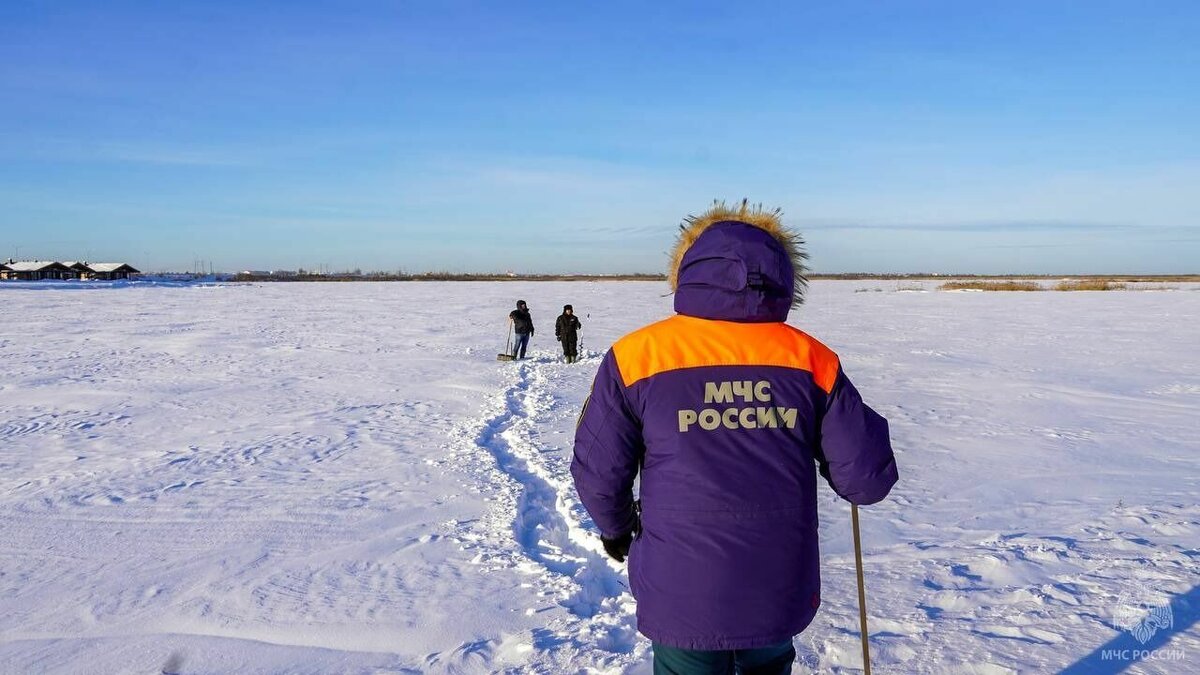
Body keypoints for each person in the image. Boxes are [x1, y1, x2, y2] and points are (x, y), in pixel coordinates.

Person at [570, 200, 899, 675]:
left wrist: (618, 528)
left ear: (687, 271)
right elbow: (866, 479)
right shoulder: (810, 360)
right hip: (776, 586)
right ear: (783, 275)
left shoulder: (637, 356)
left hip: (680, 589)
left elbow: (599, 473)